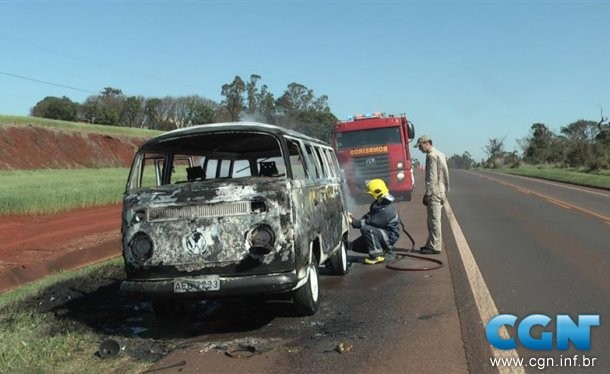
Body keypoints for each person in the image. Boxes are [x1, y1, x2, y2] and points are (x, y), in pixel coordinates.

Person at [348, 179, 400, 265]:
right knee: (354, 246)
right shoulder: (379, 204)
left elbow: (371, 222)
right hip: (381, 233)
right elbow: (368, 216)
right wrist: (353, 219)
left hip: (389, 237)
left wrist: (354, 223)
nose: (371, 197)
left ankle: (377, 256)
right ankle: (382, 250)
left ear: (377, 192)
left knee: (367, 229)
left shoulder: (386, 210)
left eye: (372, 194)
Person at [414, 135, 450, 254]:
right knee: (432, 220)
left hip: (434, 192)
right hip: (440, 190)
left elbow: (432, 177)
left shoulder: (431, 156)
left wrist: (428, 194)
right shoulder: (439, 153)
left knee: (434, 220)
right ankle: (430, 244)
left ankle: (435, 246)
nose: (419, 149)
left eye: (420, 146)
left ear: (426, 143)